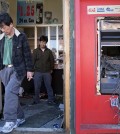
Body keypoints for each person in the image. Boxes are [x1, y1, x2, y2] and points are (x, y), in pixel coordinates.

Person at [0, 13, 33, 133]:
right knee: (12, 94)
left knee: (9, 91)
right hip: (4, 70)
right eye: (1, 28)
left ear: (11, 25)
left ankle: (10, 121)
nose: (3, 30)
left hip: (18, 69)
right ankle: (20, 116)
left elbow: (27, 55)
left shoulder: (21, 37)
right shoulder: (1, 38)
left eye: (5, 27)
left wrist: (30, 70)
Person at [32, 35, 55, 105]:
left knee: (49, 86)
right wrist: (32, 70)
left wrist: (51, 69)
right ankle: (36, 100)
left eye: (44, 42)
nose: (43, 44)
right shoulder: (35, 51)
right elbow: (33, 61)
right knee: (36, 87)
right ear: (39, 42)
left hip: (47, 72)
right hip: (37, 72)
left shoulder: (49, 52)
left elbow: (52, 61)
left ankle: (51, 100)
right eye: (41, 42)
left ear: (46, 43)